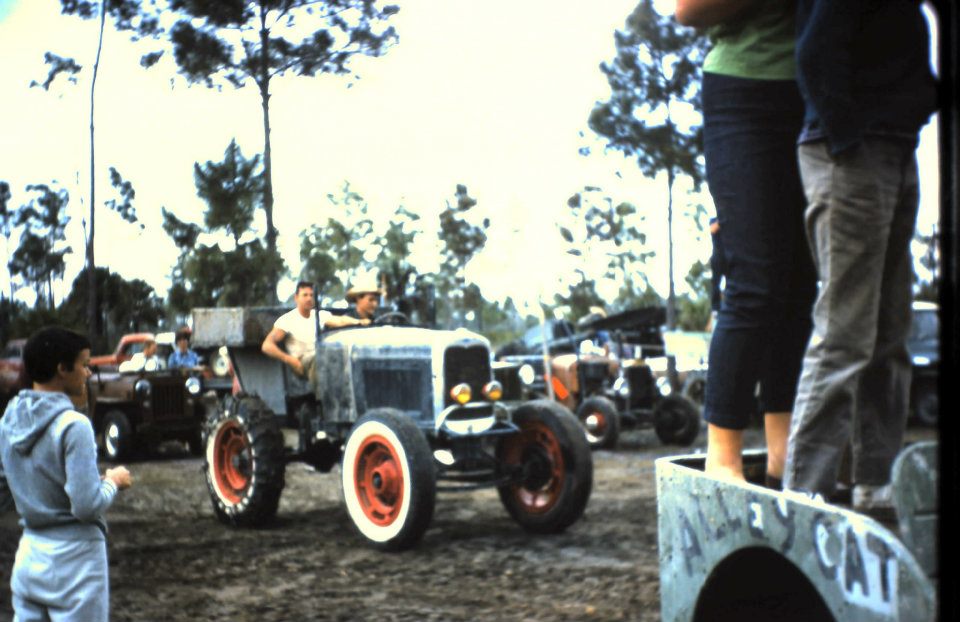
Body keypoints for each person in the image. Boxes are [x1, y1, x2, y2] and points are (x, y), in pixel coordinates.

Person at [782, 0, 937, 511]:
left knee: (891, 329)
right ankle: (804, 492)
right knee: (844, 331)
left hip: (895, 145)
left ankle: (875, 481)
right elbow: (815, 55)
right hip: (850, 148)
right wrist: (847, 139)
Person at [675, 0, 818, 487]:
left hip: (818, 88)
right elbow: (687, 10)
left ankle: (782, 452)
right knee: (755, 280)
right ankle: (723, 458)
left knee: (800, 285)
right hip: (744, 92)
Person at [0, 326, 133, 621]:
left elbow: (6, 489)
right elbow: (86, 507)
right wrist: (112, 482)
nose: (88, 373)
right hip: (76, 564)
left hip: (29, 555)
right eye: (84, 365)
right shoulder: (74, 425)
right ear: (62, 368)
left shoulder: (8, 421)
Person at [261, 281, 371, 377]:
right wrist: (290, 360)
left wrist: (359, 322)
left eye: (311, 295)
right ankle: (324, 399)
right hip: (302, 362)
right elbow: (267, 346)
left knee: (345, 356)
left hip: (321, 356)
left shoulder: (318, 315)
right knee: (321, 360)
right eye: (305, 295)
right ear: (296, 298)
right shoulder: (287, 320)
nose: (309, 298)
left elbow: (340, 320)